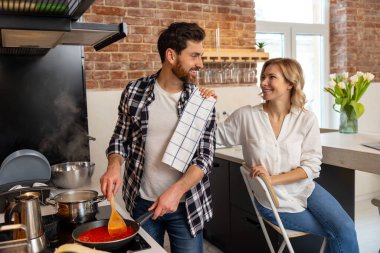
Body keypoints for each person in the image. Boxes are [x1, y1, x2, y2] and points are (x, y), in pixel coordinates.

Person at [216, 58, 359, 253]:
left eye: (271, 77)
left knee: (346, 228)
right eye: (263, 77)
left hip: (304, 190)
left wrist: (272, 179)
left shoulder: (306, 119)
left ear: (290, 83)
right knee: (337, 232)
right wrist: (202, 107)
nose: (264, 82)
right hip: (273, 201)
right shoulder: (246, 116)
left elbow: (311, 167)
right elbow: (213, 138)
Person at [100, 22, 216, 253]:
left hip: (185, 204)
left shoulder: (202, 100)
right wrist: (113, 165)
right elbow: (120, 137)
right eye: (194, 56)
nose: (200, 64)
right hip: (142, 201)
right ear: (171, 55)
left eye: (201, 56)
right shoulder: (134, 91)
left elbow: (205, 157)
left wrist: (175, 192)